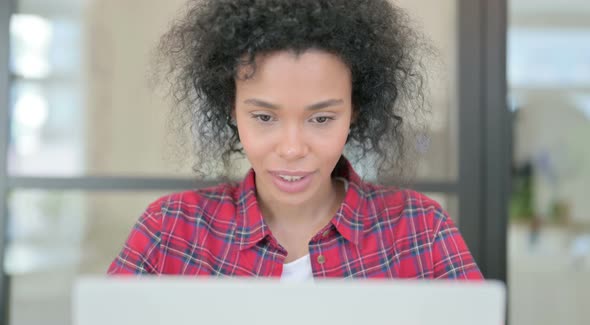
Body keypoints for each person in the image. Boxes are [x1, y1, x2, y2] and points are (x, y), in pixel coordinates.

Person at [108, 0, 483, 280]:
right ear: (231, 109)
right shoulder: (169, 231)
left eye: (321, 118)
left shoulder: (421, 231)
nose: (291, 149)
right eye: (264, 117)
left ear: (355, 110)